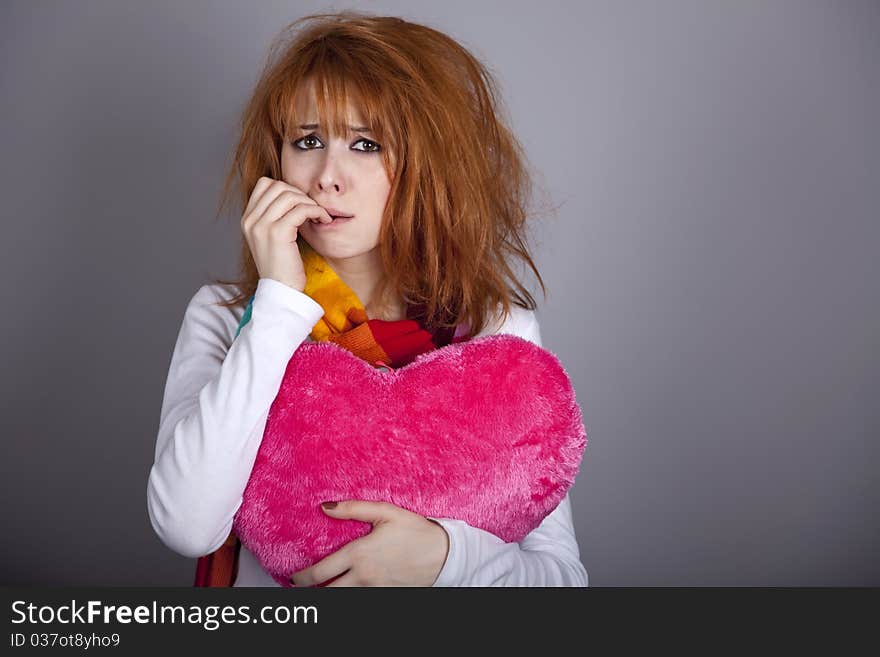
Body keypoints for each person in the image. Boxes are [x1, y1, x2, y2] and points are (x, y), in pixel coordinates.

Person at [147, 11, 588, 587]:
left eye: (365, 143)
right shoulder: (228, 316)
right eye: (308, 141)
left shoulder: (494, 331)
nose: (327, 175)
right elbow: (187, 524)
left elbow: (560, 578)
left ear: (429, 167)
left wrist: (443, 558)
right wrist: (278, 303)